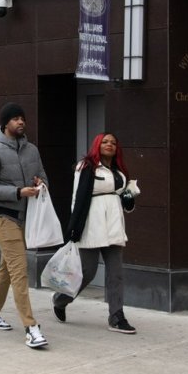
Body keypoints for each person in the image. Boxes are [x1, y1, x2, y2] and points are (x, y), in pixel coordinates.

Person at [0, 102, 50, 349]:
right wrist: (18, 191)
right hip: (2, 217)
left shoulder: (31, 150)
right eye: (16, 119)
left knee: (8, 269)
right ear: (5, 123)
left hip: (24, 218)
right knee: (20, 270)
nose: (21, 122)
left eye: (23, 118)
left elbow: (43, 176)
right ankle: (31, 328)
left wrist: (40, 183)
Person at [53, 132, 139, 334]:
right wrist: (73, 228)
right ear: (97, 145)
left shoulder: (119, 171)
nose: (109, 145)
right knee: (87, 271)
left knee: (116, 273)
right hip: (92, 223)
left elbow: (123, 200)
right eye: (105, 142)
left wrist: (129, 197)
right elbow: (78, 197)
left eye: (113, 143)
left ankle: (116, 316)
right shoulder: (86, 166)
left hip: (114, 224)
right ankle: (60, 299)